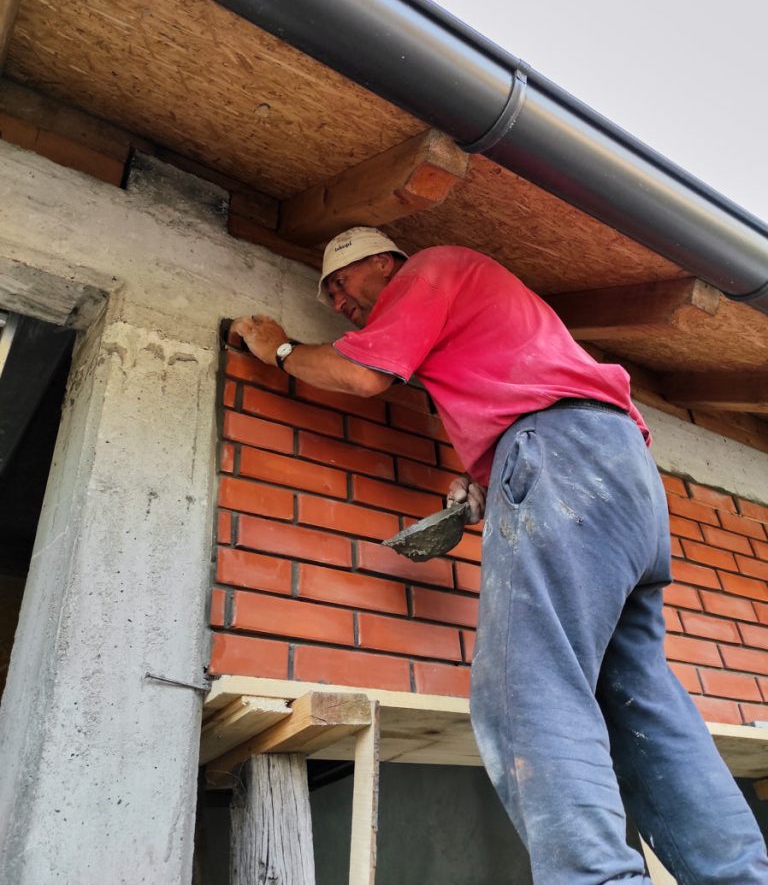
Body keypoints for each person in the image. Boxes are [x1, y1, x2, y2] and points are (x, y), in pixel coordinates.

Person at [230, 226, 768, 885]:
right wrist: (488, 476)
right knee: (641, 702)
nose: (340, 302)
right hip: (624, 476)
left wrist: (279, 348)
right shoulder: (484, 304)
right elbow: (520, 391)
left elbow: (362, 375)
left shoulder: (428, 269)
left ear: (382, 261)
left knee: (527, 684)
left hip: (562, 456)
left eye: (342, 283)